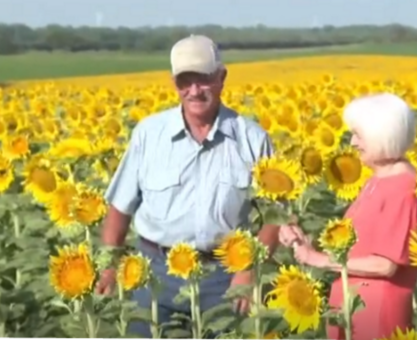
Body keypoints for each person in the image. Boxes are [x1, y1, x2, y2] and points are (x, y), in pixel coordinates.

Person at [95, 35, 279, 339]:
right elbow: (119, 207)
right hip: (153, 272)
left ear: (221, 77)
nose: (194, 91)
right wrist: (110, 266)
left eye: (203, 79)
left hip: (223, 275)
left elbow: (276, 214)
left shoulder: (251, 138)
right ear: (174, 83)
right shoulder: (149, 134)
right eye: (185, 82)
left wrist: (249, 270)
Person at [279, 93, 417, 340]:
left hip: (377, 312)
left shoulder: (405, 189)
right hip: (353, 306)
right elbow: (360, 247)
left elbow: (385, 264)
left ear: (383, 137)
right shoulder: (378, 180)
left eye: (359, 135)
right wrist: (305, 244)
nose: (352, 142)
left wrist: (319, 260)